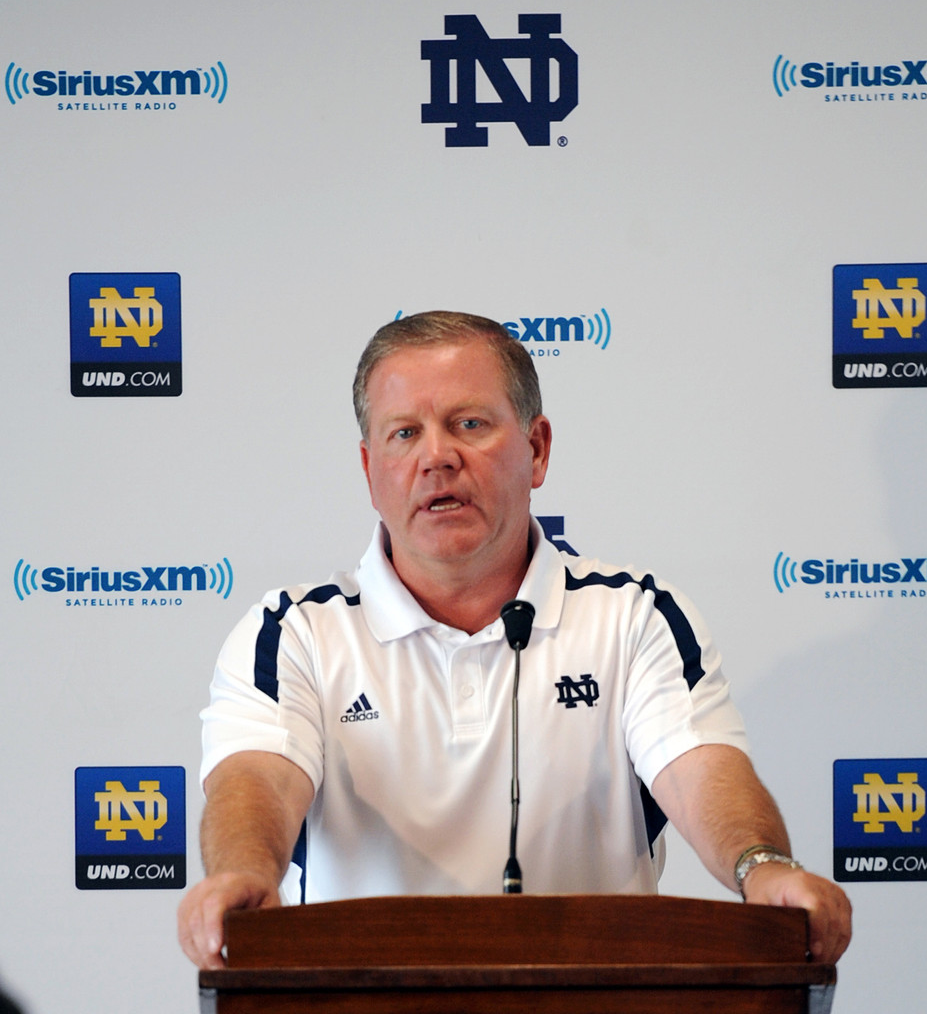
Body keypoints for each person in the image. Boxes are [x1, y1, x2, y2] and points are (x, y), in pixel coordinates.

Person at [178, 311, 852, 970]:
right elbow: (258, 778)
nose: (436, 457)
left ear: (537, 449)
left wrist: (760, 865)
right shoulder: (294, 632)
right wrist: (242, 874)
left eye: (469, 424)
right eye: (404, 433)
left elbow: (699, 770)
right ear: (369, 470)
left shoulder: (634, 615)